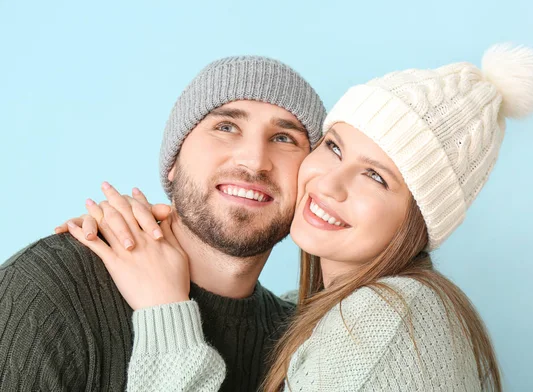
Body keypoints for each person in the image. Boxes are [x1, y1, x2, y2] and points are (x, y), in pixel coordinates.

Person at [66, 43, 533, 391]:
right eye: (334, 147)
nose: (331, 184)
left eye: (376, 177)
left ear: (418, 221)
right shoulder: (309, 312)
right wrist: (146, 233)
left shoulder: (388, 319)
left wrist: (164, 311)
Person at [0, 56, 326, 391]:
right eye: (226, 127)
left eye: (285, 138)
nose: (255, 160)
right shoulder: (50, 290)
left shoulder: (303, 346)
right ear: (173, 161)